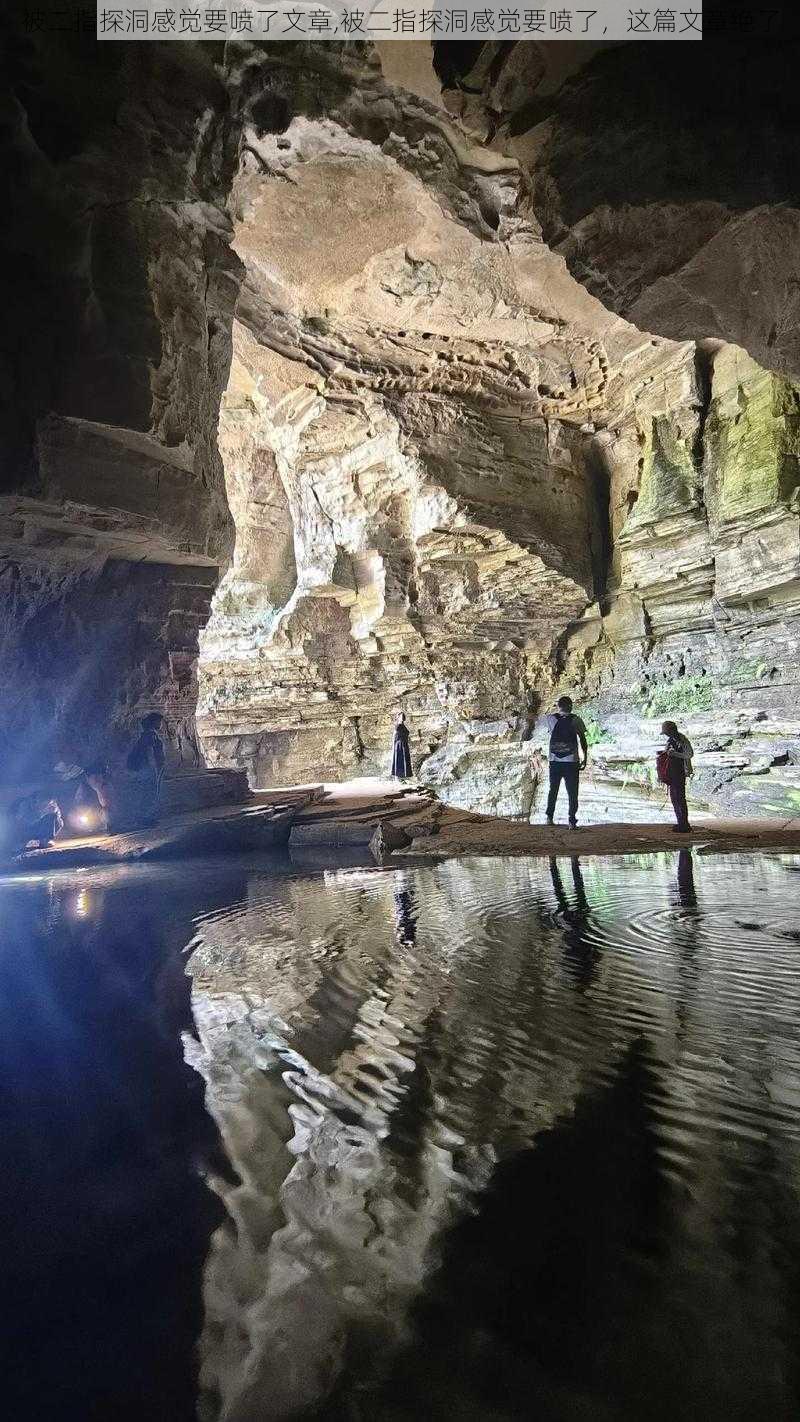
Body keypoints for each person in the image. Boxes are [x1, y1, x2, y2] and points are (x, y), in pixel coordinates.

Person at [544, 695, 588, 829]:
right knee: (572, 791)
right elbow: (583, 740)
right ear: (571, 706)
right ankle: (572, 821)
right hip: (571, 761)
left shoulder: (550, 719)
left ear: (559, 707)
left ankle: (549, 818)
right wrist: (585, 757)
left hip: (555, 760)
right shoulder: (576, 720)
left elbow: (551, 732)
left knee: (553, 790)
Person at [125, 713, 167, 826]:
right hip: (149, 768)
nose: (161, 724)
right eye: (159, 722)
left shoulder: (147, 735)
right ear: (154, 722)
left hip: (148, 768)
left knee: (149, 792)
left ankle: (146, 817)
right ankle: (145, 818)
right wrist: (154, 767)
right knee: (150, 792)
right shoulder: (150, 735)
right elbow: (149, 752)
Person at [661, 720, 693, 833]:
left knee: (680, 798)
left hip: (680, 773)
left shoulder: (683, 740)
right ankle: (681, 823)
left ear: (672, 730)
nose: (667, 735)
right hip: (672, 773)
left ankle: (684, 824)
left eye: (667, 732)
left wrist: (675, 754)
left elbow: (689, 754)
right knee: (674, 798)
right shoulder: (670, 740)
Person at [391, 712, 413, 780]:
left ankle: (404, 776)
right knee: (399, 759)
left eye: (403, 716)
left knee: (404, 760)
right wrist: (395, 745)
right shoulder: (397, 726)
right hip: (399, 745)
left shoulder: (402, 726)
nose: (402, 717)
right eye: (401, 716)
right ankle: (398, 777)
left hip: (404, 744)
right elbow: (395, 736)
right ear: (398, 717)